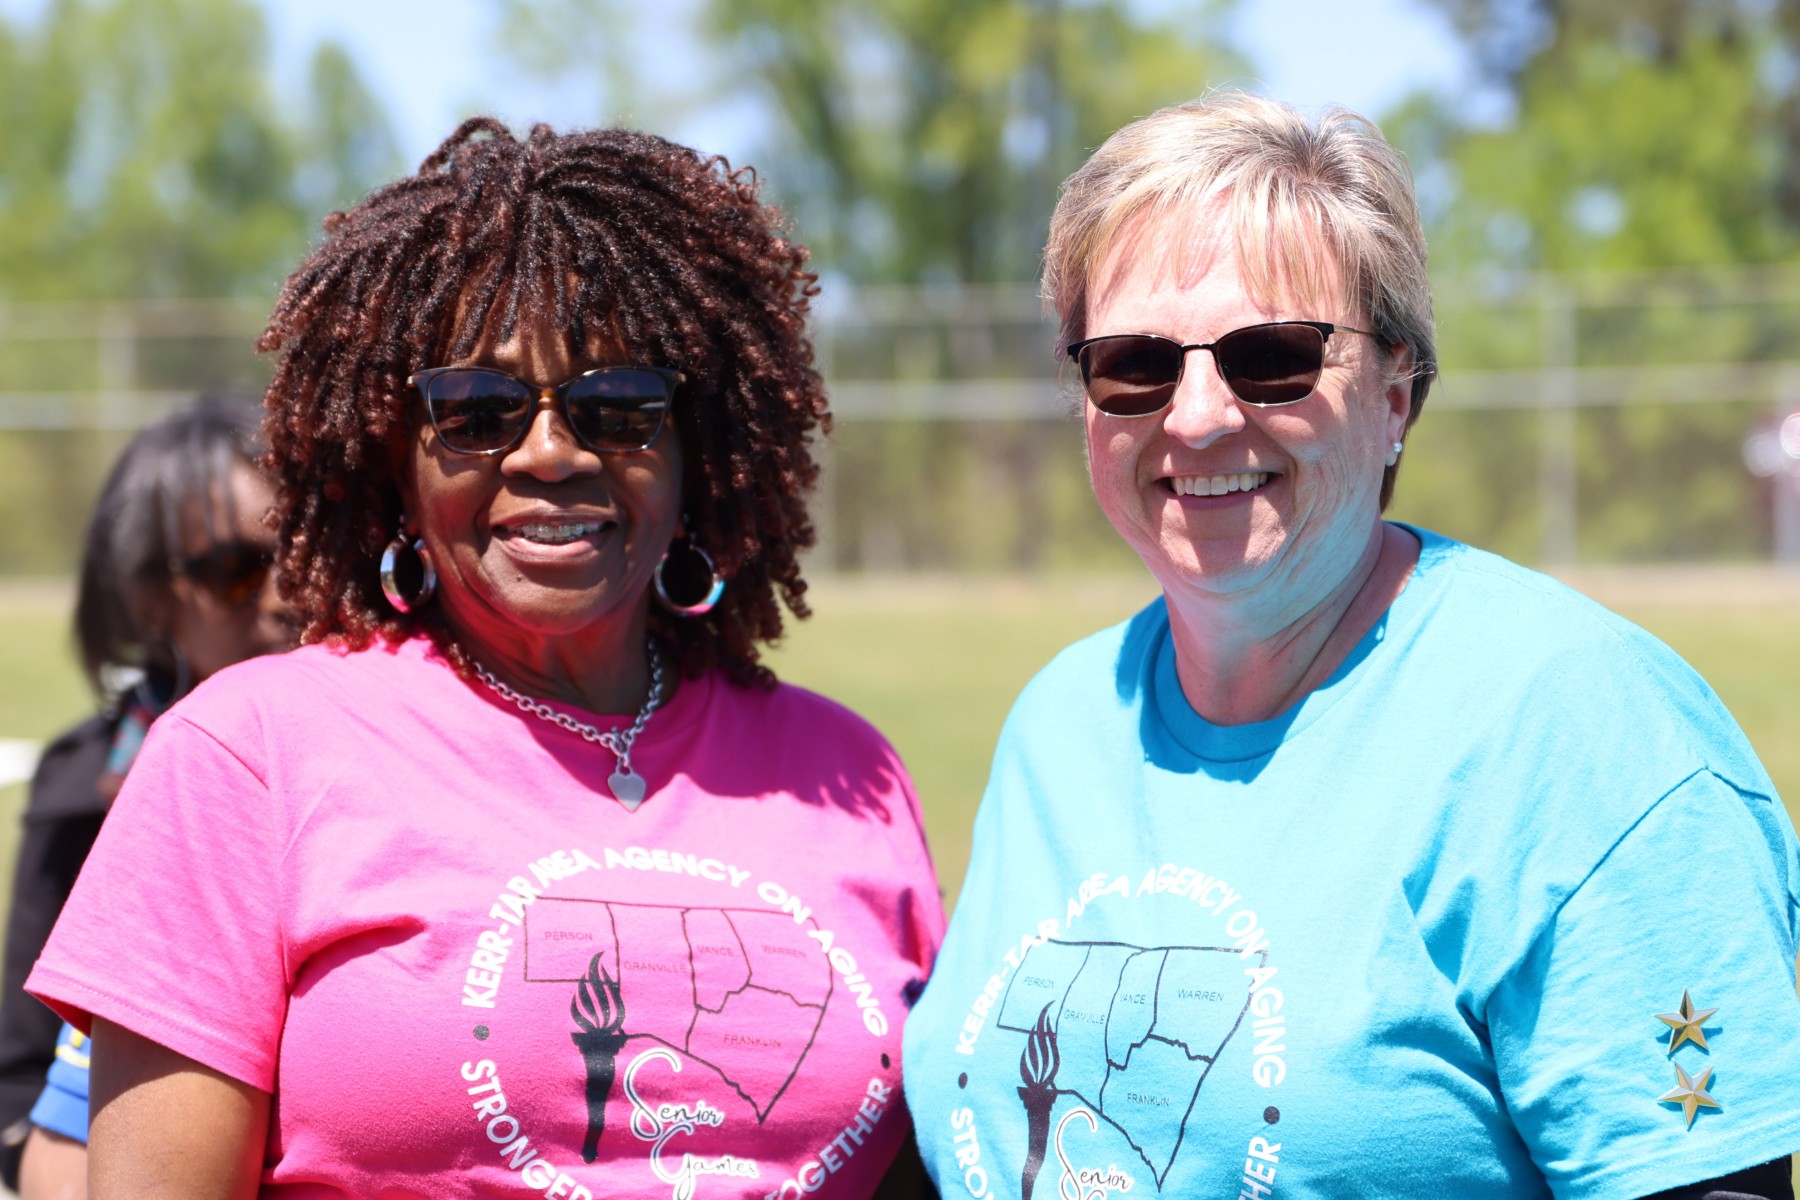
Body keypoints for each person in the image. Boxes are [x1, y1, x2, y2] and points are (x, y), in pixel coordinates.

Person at [902, 93, 1800, 1200]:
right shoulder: (1062, 718)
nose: (1196, 417)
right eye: (1134, 361)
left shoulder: (1575, 731)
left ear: (1395, 397)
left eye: (1272, 356)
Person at [27, 121, 943, 1198]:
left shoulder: (847, 771)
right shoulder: (246, 755)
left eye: (619, 407)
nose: (551, 452)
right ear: (393, 460)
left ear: (695, 452)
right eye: (477, 411)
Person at [0, 397, 294, 1198]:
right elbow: (23, 1076)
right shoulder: (84, 788)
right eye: (237, 570)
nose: (285, 596)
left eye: (304, 551)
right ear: (152, 599)